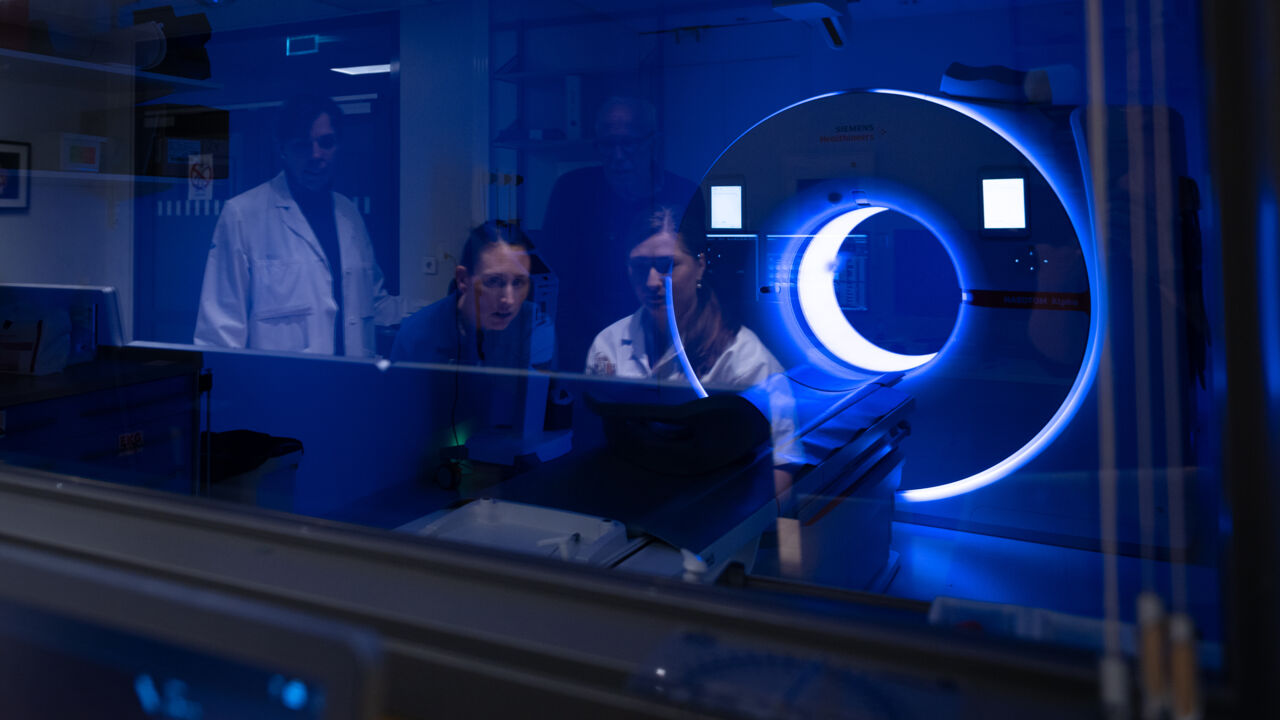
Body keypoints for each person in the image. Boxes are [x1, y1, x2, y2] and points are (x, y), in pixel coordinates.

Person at [194, 95, 399, 356]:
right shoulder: (243, 215)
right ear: (282, 149)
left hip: (351, 385)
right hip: (278, 390)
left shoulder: (349, 214)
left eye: (326, 143)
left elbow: (374, 302)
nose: (316, 155)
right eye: (302, 145)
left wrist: (444, 309)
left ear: (338, 145)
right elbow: (219, 332)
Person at [540, 96, 704, 368]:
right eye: (607, 144)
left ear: (653, 142)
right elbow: (555, 279)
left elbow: (695, 280)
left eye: (628, 143)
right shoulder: (571, 191)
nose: (617, 156)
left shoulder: (684, 194)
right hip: (585, 343)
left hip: (667, 341)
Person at [585, 207, 780, 388]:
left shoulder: (743, 358)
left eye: (667, 265)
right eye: (640, 266)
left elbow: (777, 425)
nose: (651, 282)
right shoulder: (608, 345)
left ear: (700, 266)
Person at [391, 222, 545, 368]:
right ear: (463, 279)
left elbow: (547, 393)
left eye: (518, 282)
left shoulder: (535, 327)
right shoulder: (417, 336)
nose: (509, 300)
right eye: (494, 281)